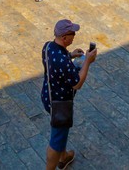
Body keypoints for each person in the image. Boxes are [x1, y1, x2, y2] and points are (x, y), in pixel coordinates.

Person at [41, 18, 97, 170]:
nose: (75, 35)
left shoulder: (48, 47)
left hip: (48, 96)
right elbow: (77, 83)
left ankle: (64, 157)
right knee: (56, 139)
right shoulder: (63, 62)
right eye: (72, 33)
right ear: (65, 37)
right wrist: (87, 62)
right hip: (60, 105)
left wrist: (70, 55)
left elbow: (56, 62)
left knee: (62, 131)